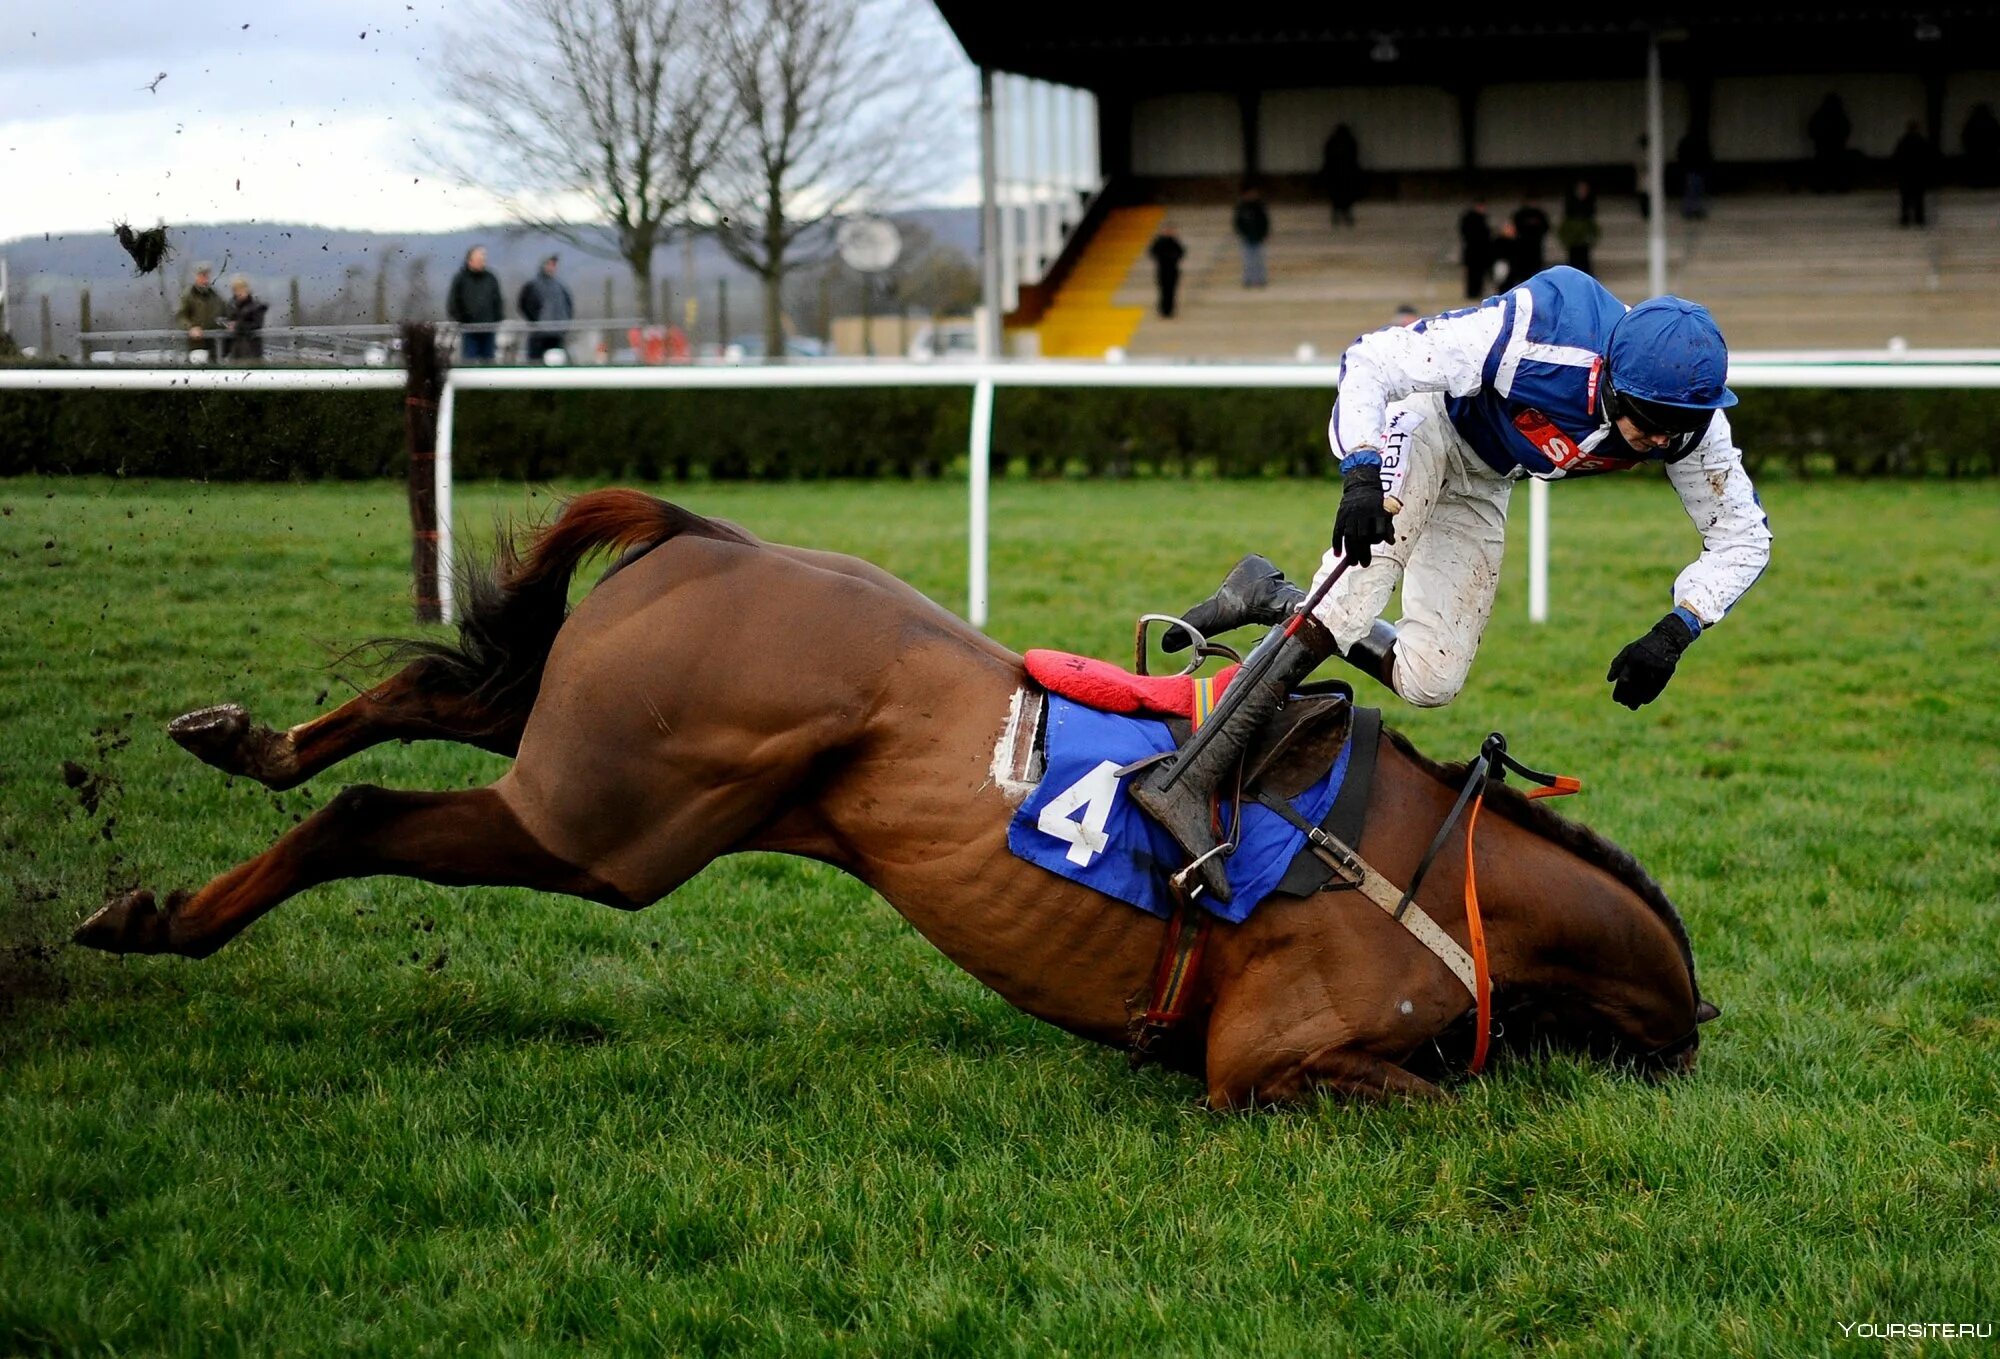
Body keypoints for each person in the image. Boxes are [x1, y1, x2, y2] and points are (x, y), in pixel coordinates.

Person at [1136, 266, 1771, 900]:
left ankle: (1270, 596)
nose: (1662, 439)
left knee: (1431, 678)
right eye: (1649, 418)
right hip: (1428, 424)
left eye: (1678, 425)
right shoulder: (1537, 333)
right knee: (1355, 593)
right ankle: (1188, 780)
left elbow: (1744, 537)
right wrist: (1360, 470)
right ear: (1609, 376)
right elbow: (1373, 358)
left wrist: (1677, 628)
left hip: (1486, 480)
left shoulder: (1692, 426)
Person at [446, 244, 504, 361]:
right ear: (470, 260)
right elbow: (453, 302)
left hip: (489, 328)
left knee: (489, 362)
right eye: (479, 259)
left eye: (483, 259)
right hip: (469, 329)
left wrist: (497, 318)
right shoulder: (460, 279)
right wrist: (462, 320)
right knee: (469, 362)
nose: (482, 261)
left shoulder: (491, 277)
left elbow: (498, 300)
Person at [517, 254, 575, 361]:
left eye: (554, 265)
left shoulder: (560, 286)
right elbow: (524, 304)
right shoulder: (533, 285)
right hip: (539, 335)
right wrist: (536, 322)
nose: (552, 267)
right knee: (536, 364)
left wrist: (564, 324)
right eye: (550, 264)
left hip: (557, 334)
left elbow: (568, 306)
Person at [174, 263, 227, 359]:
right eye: (202, 275)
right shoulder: (189, 295)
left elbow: (224, 313)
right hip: (196, 345)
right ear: (196, 276)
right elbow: (181, 316)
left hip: (215, 344)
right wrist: (190, 328)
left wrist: (228, 324)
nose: (205, 278)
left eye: (207, 275)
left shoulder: (215, 296)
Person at [1893, 121, 1934, 227]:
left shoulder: (1902, 141)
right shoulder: (1922, 141)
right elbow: (1928, 158)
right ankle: (1919, 218)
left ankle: (1905, 218)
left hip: (1906, 173)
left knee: (1905, 198)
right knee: (1919, 197)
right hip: (1918, 173)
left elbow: (1897, 158)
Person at [1809, 93, 1852, 193]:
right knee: (1838, 168)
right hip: (1836, 147)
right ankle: (1838, 187)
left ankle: (1822, 188)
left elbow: (1812, 129)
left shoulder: (1819, 115)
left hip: (1823, 147)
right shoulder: (1840, 116)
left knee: (1823, 168)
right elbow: (1846, 129)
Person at [1321, 124, 1361, 227]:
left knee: (1336, 200)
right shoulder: (1349, 142)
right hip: (1345, 175)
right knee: (1346, 200)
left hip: (1335, 175)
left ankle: (1337, 219)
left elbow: (1327, 157)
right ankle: (1347, 219)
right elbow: (1354, 157)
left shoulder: (1332, 142)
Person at [1558, 180, 1601, 276]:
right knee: (1573, 260)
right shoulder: (1570, 208)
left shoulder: (1589, 208)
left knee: (1584, 261)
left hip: (1583, 240)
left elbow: (1593, 226)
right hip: (1573, 240)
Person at [1232, 187, 1271, 289]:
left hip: (1259, 238)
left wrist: (1264, 234)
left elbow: (1265, 223)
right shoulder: (1241, 208)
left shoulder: (1260, 208)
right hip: (1246, 238)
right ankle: (1248, 280)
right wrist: (1243, 234)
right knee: (1248, 261)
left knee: (1259, 260)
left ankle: (1261, 279)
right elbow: (1237, 223)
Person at [223, 275, 268, 361]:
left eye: (242, 289)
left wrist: (237, 326)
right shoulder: (230, 306)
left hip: (252, 350)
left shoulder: (256, 306)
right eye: (237, 289)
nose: (240, 292)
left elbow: (257, 325)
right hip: (234, 351)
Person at [1148, 226, 1186, 318]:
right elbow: (1153, 252)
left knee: (1172, 291)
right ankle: (1163, 310)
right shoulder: (1159, 241)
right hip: (1162, 270)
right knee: (1163, 290)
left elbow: (1181, 252)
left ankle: (1170, 310)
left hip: (1172, 270)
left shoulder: (1175, 242)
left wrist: (1173, 257)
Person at [1457, 201, 1492, 300]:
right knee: (1473, 274)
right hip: (1474, 252)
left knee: (1478, 274)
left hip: (1478, 252)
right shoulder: (1472, 219)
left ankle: (1475, 292)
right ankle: (1473, 293)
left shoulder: (1480, 218)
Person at [1676, 132, 1712, 220]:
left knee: (1692, 191)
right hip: (1697, 170)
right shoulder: (1701, 142)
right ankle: (1692, 210)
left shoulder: (1686, 143)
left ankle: (1690, 210)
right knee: (1695, 191)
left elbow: (1680, 154)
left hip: (1691, 170)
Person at [1963, 103, 2000, 187]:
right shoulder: (1992, 123)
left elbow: (1966, 138)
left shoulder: (1972, 124)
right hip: (1986, 155)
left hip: (1980, 155)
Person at [1511, 201, 1551, 278]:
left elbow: (1546, 227)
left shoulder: (1539, 214)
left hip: (1536, 245)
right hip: (1522, 246)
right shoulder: (1521, 214)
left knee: (1535, 268)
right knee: (1524, 267)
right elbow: (1515, 227)